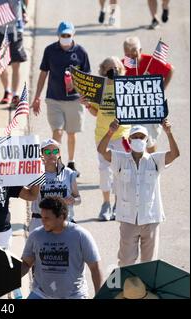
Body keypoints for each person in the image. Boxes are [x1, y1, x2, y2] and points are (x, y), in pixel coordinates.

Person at [97, 119, 179, 266]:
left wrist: (169, 133)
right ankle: (127, 289)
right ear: (129, 140)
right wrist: (110, 132)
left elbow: (174, 154)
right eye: (135, 137)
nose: (138, 140)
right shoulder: (120, 158)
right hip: (128, 219)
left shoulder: (155, 159)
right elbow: (102, 150)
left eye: (142, 137)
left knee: (149, 263)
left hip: (150, 218)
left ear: (147, 140)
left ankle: (146, 289)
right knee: (125, 261)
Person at [31, 21, 91, 177]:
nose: (65, 38)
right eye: (63, 35)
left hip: (74, 100)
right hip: (54, 99)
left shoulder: (81, 53)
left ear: (73, 35)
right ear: (58, 35)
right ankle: (56, 163)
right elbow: (43, 73)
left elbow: (88, 78)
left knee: (71, 133)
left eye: (68, 35)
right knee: (57, 131)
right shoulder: (50, 51)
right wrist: (37, 96)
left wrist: (88, 98)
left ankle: (71, 162)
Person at [22, 196, 103, 299]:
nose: (43, 221)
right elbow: (26, 263)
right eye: (42, 217)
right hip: (41, 294)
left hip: (74, 296)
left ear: (61, 217)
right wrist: (9, 278)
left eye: (47, 218)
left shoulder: (80, 235)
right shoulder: (36, 235)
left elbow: (95, 268)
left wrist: (99, 295)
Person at [81, 57, 131, 221]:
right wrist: (88, 105)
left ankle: (118, 204)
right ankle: (106, 203)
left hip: (122, 135)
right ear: (103, 70)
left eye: (116, 67)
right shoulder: (98, 88)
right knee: (104, 170)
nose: (113, 70)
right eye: (109, 67)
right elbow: (96, 112)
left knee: (120, 171)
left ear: (121, 69)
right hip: (103, 135)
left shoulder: (127, 86)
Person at [123, 36, 174, 152]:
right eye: (128, 55)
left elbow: (171, 70)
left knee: (150, 141)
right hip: (133, 109)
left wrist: (162, 89)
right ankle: (136, 167)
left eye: (134, 54)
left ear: (140, 50)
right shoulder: (124, 64)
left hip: (150, 107)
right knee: (134, 139)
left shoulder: (152, 61)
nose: (131, 58)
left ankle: (152, 165)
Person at [29, 139, 80, 232]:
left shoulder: (68, 173)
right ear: (41, 155)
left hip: (64, 222)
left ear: (59, 153)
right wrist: (38, 170)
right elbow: (28, 195)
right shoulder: (35, 173)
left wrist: (73, 200)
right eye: (48, 152)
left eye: (55, 151)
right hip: (40, 222)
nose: (52, 154)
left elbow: (78, 199)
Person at [0, 0, 28, 107]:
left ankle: (15, 94)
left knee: (16, 64)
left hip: (15, 31)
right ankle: (7, 91)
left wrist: (24, 11)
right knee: (2, 64)